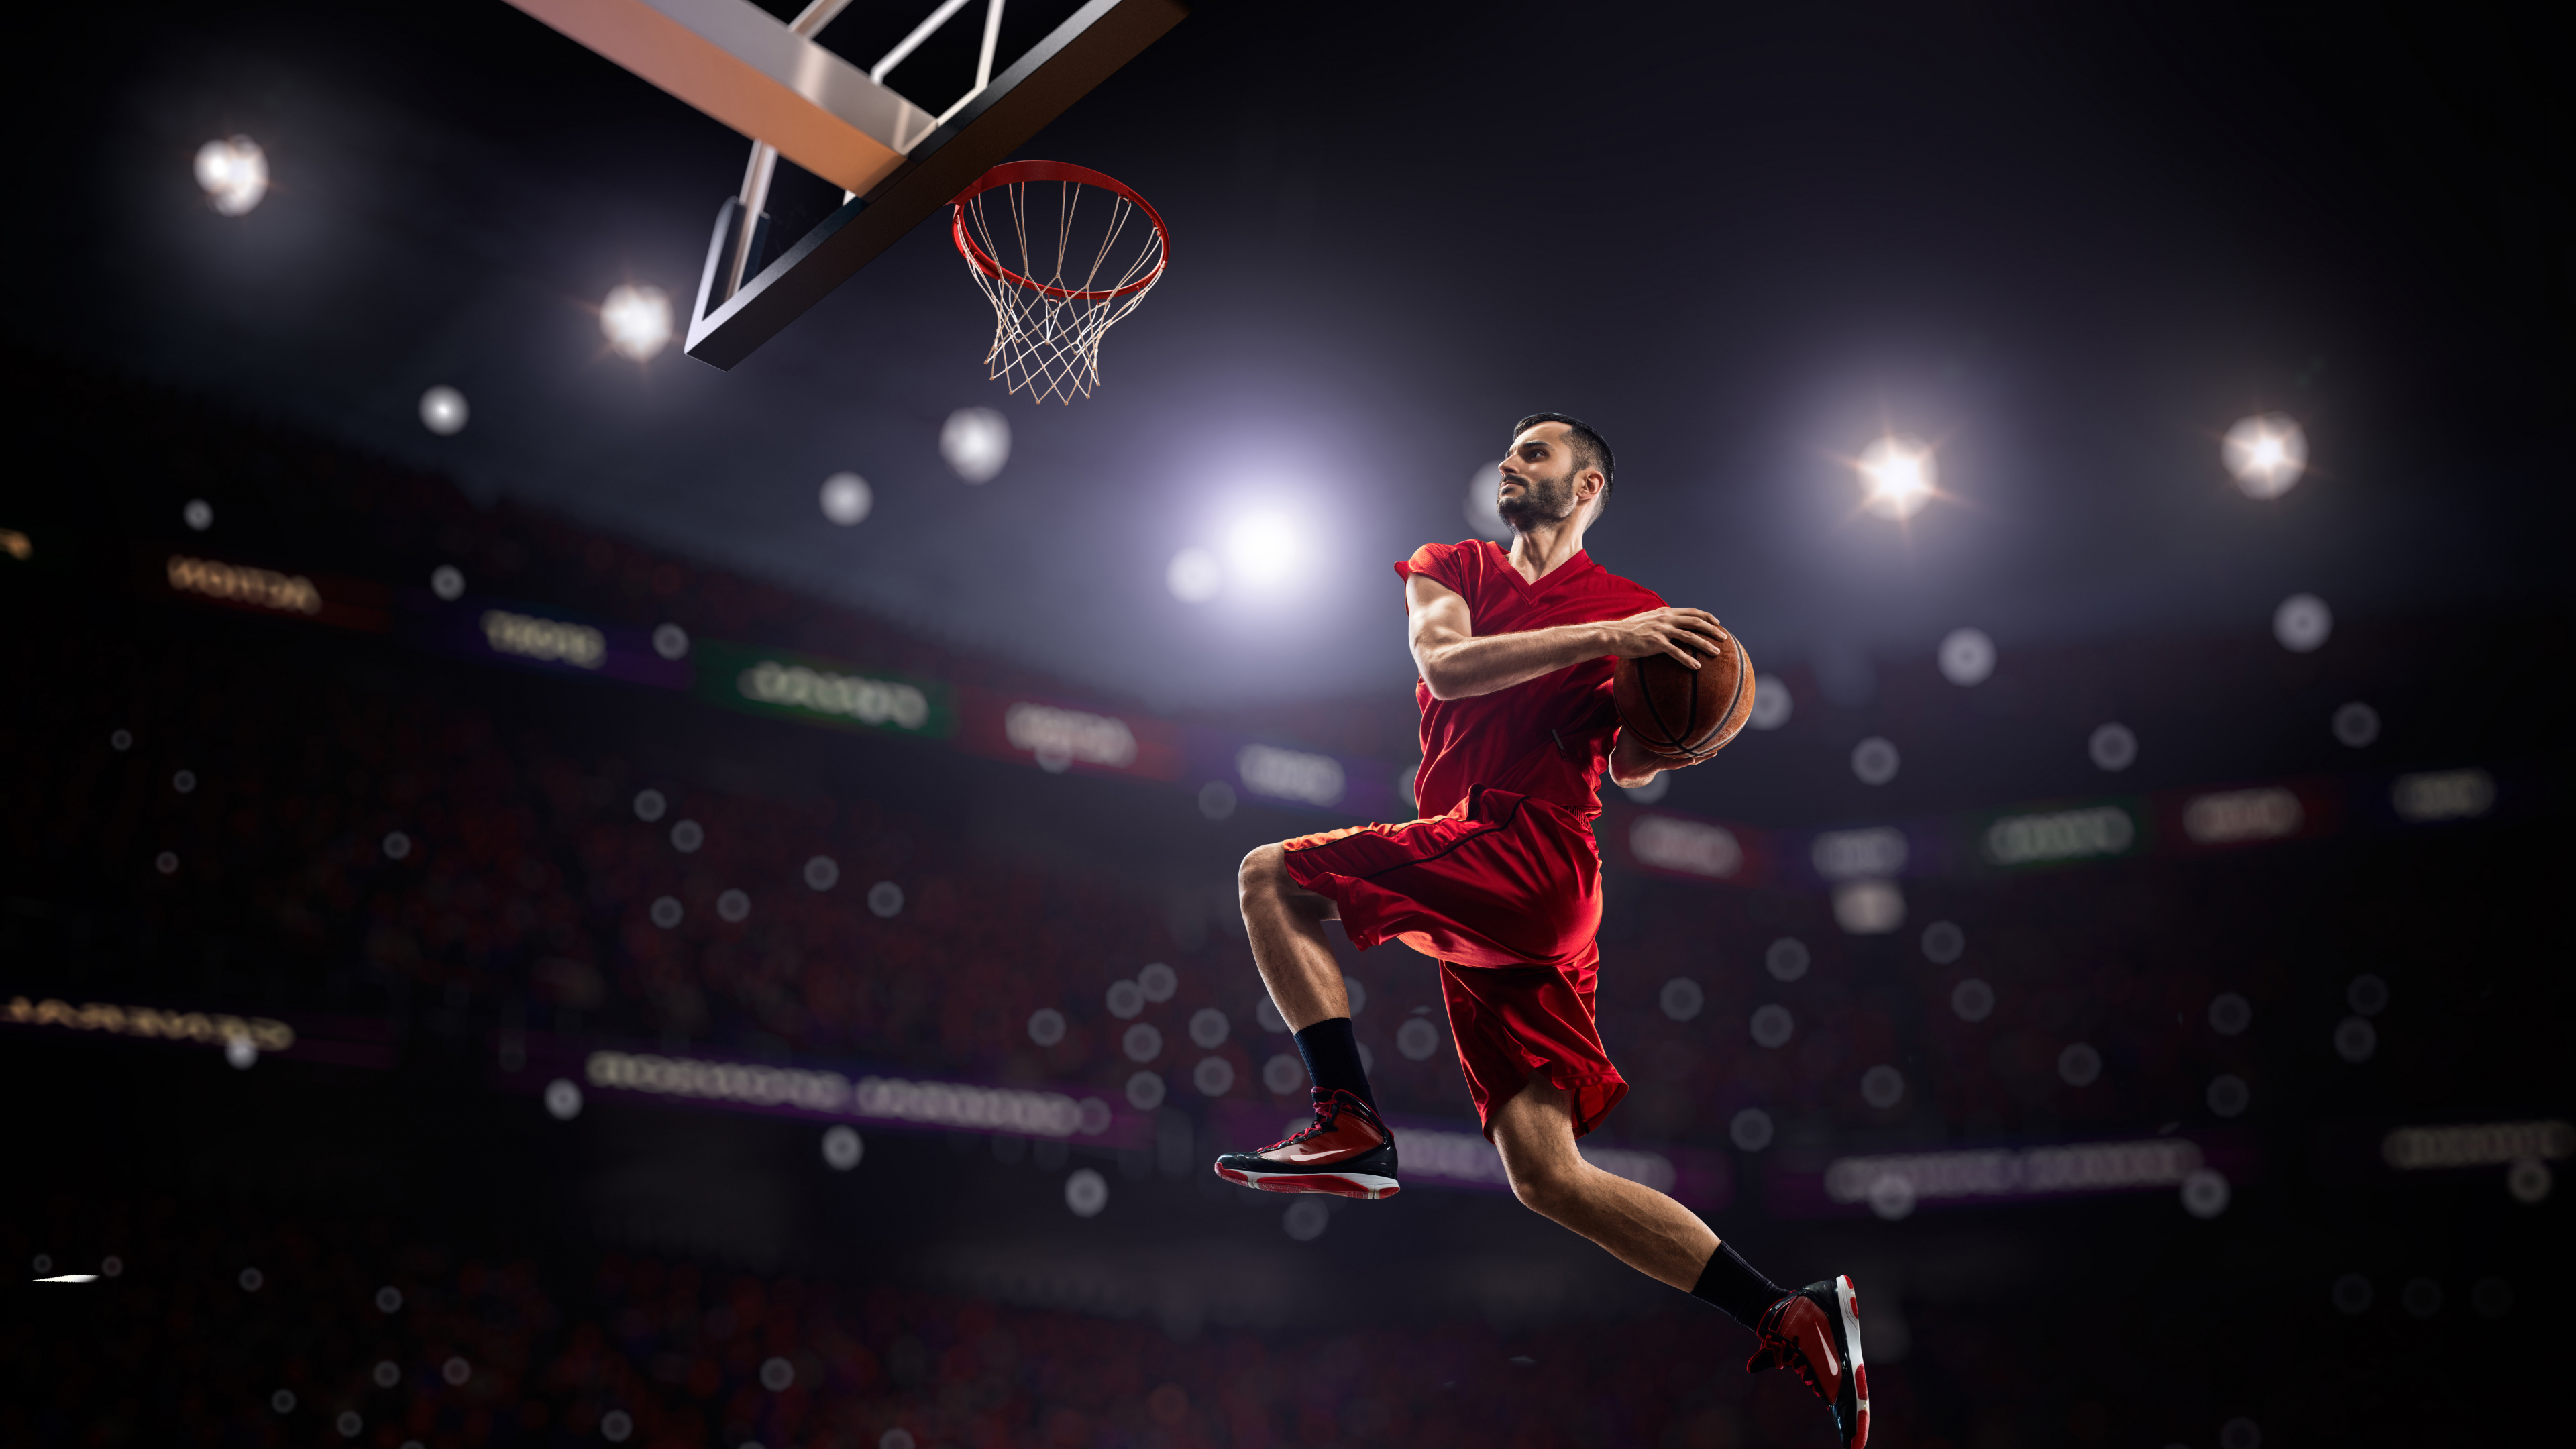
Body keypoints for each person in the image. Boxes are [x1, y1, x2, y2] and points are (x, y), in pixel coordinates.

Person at [1211, 413, 1870, 1448]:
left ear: (1588, 485)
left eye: (1538, 452)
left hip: (1527, 849)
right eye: (1511, 452)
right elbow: (1445, 667)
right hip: (1505, 885)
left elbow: (1634, 763)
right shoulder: (1456, 566)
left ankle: (1348, 1116)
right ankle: (1786, 1310)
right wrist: (1615, 643)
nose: (1513, 464)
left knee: (1270, 877)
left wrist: (1688, 730)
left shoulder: (1638, 610)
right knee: (1546, 1175)